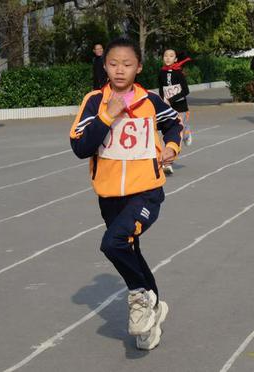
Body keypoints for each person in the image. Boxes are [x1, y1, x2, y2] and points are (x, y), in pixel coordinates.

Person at [69, 38, 182, 351]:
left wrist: (171, 147)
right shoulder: (94, 101)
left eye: (127, 64)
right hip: (109, 195)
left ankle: (139, 297)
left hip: (146, 191)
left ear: (139, 67)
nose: (120, 70)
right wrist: (108, 116)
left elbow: (173, 123)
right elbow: (80, 147)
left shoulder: (150, 101)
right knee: (130, 249)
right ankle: (153, 309)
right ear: (105, 66)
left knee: (114, 243)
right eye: (114, 64)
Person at [158, 49, 191, 175]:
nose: (168, 58)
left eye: (171, 56)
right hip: (168, 108)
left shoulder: (179, 73)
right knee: (168, 132)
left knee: (179, 133)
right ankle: (167, 162)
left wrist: (171, 99)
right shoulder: (161, 72)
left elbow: (186, 91)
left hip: (181, 107)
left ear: (176, 59)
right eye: (165, 55)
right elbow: (161, 88)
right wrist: (162, 100)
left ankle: (168, 162)